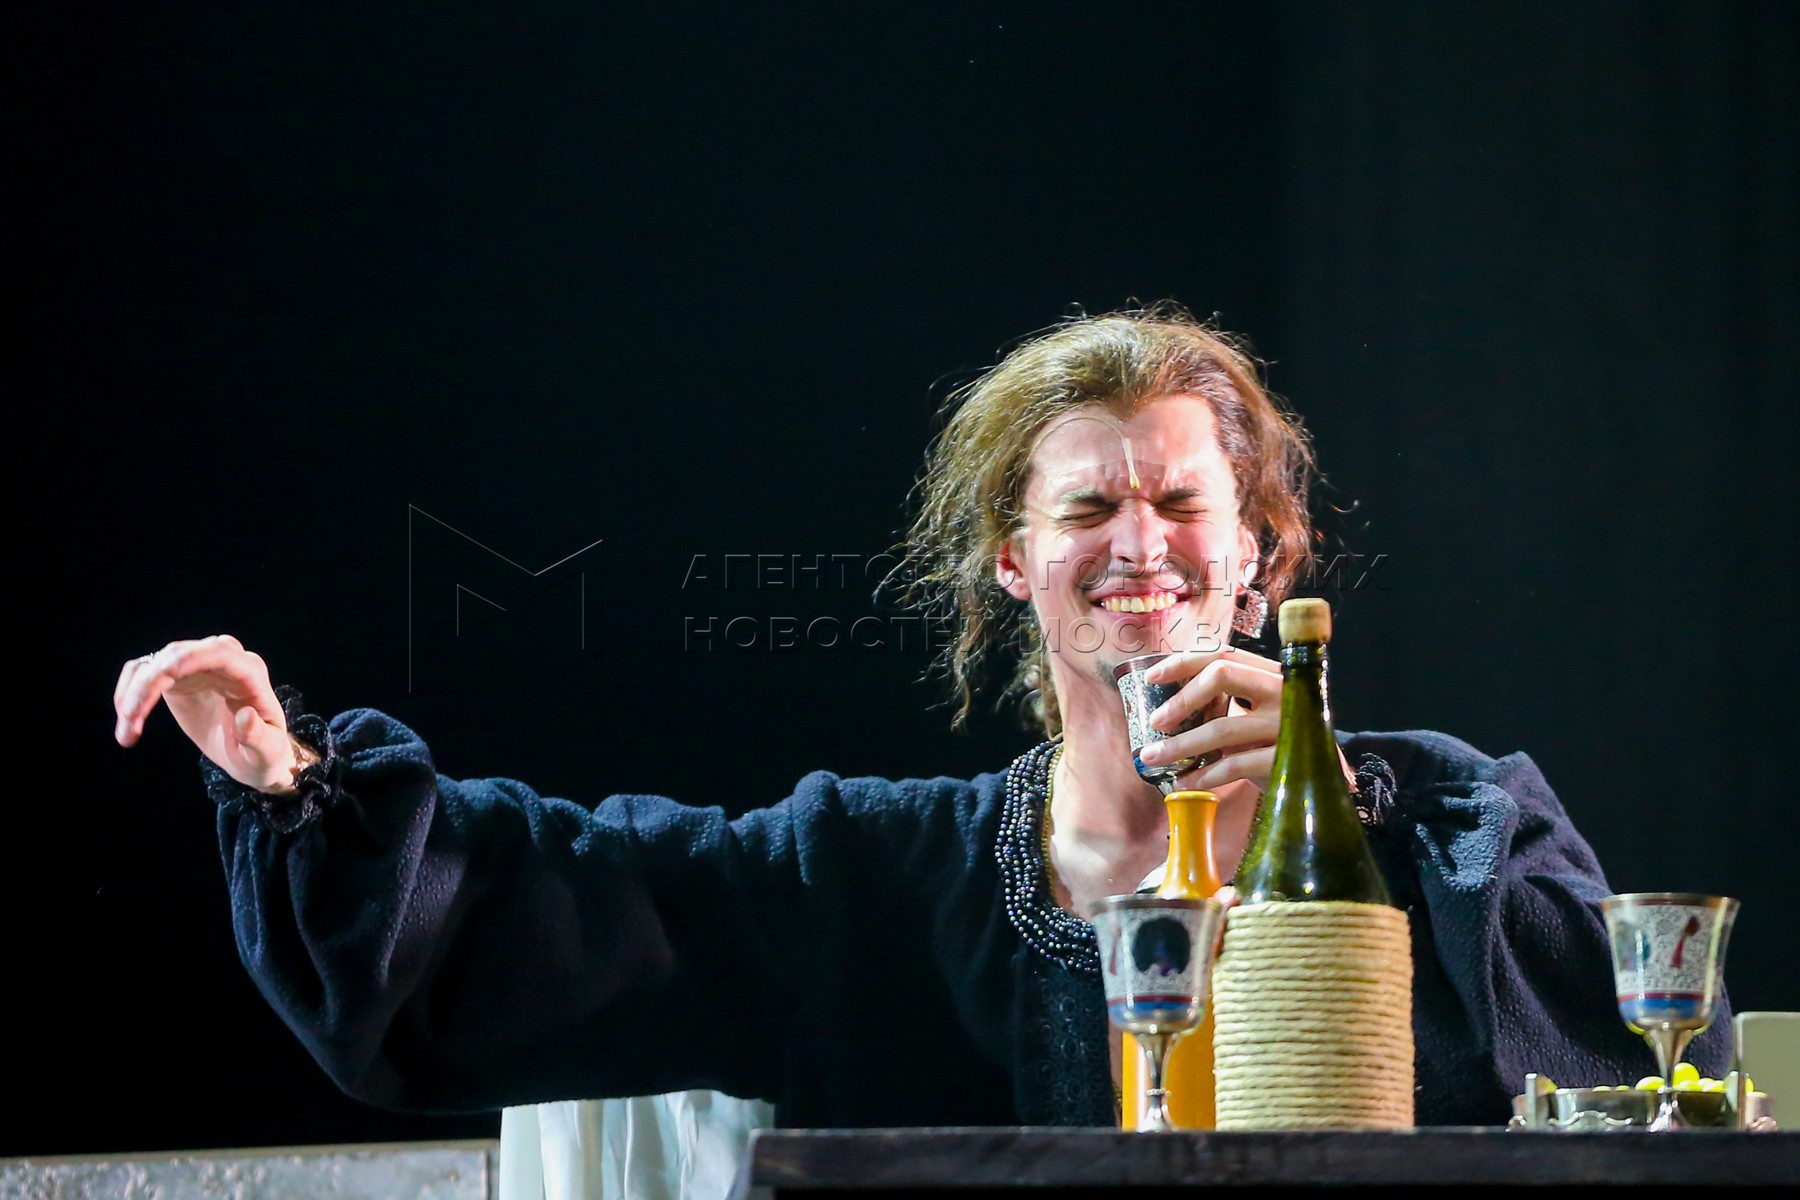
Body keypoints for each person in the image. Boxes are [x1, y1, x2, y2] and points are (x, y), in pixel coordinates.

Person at [111, 305, 1726, 1133]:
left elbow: (1654, 1071)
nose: (1142, 545)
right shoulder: (875, 876)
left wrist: (1340, 796)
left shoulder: (1438, 823)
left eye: (1182, 504)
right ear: (1015, 564)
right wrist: (297, 781)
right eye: (1088, 509)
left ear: (1259, 558)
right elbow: (570, 899)